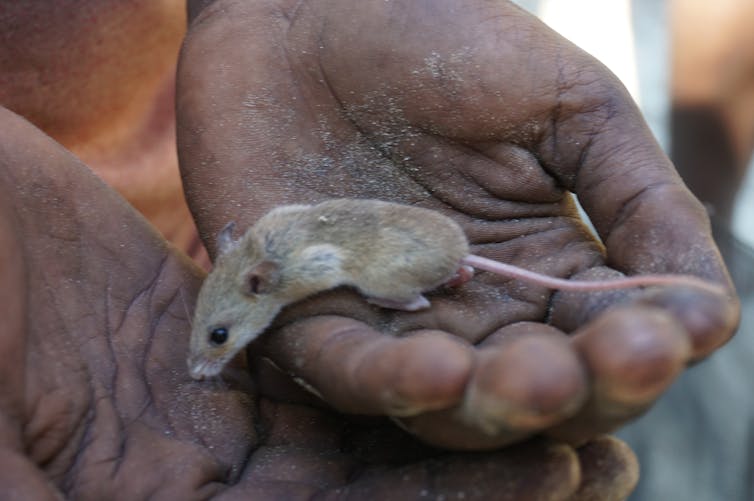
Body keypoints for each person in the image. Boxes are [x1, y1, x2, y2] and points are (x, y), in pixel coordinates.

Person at [0, 0, 739, 498]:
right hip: (118, 253)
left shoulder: (272, 269)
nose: (212, 353)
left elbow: (326, 265)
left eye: (219, 335)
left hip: (223, 181)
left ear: (256, 280)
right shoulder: (254, 265)